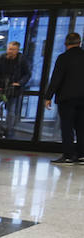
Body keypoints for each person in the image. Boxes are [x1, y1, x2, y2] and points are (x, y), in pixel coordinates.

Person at [45, 31, 84, 164]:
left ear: (66, 44)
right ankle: (81, 155)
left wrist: (48, 96)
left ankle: (68, 155)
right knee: (81, 127)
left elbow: (56, 79)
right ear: (80, 43)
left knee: (67, 127)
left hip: (67, 98)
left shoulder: (63, 58)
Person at [0, 40, 30, 136]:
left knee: (11, 111)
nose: (11, 51)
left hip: (13, 89)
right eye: (9, 49)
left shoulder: (22, 60)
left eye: (13, 49)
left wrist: (19, 83)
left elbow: (27, 74)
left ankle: (9, 129)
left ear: (17, 50)